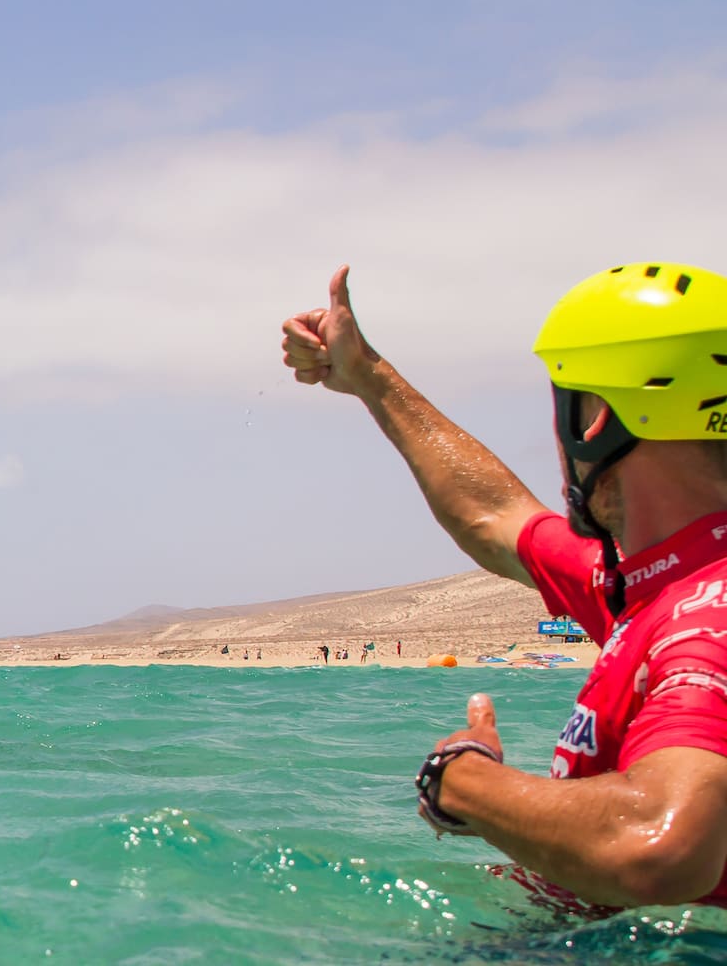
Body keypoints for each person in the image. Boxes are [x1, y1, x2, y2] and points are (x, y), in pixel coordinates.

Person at [281, 262, 727, 909]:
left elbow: (659, 848)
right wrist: (368, 376)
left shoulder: (705, 614)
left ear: (594, 416)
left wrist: (459, 779)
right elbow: (494, 518)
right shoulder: (655, 584)